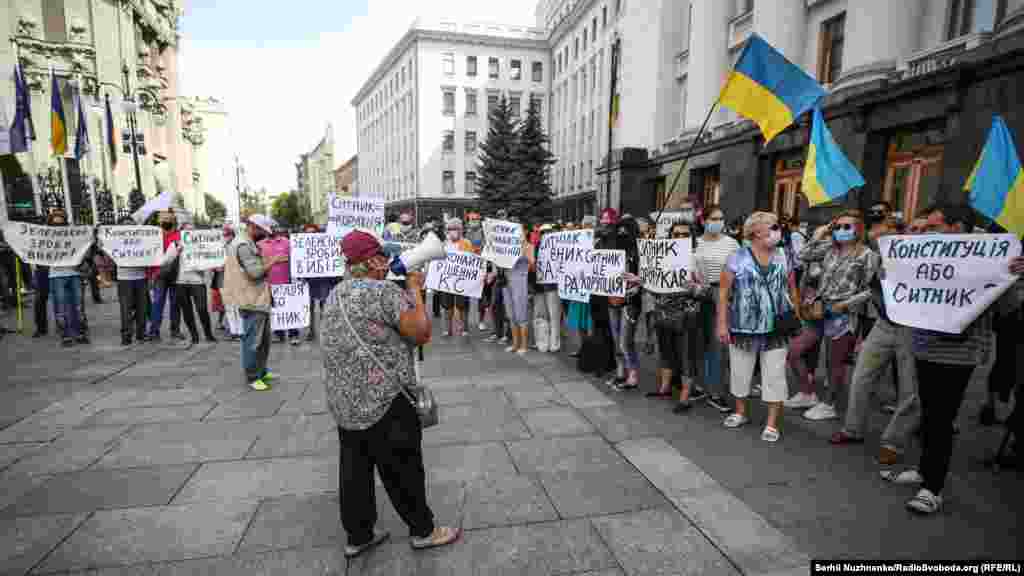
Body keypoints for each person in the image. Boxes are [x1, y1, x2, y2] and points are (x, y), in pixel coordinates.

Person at [321, 230, 460, 557]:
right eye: (381, 256)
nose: (386, 261)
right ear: (371, 261)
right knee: (403, 467)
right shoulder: (382, 291)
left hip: (345, 402)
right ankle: (423, 531)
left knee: (354, 470)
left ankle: (359, 535)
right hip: (385, 399)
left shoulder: (336, 293)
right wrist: (414, 287)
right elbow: (422, 331)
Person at [893, 204, 1024, 514]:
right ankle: (925, 469)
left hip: (959, 353)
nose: (926, 234)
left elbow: (1006, 309)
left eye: (933, 227)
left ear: (957, 227)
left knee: (941, 418)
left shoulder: (990, 258)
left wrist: (1012, 278)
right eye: (923, 229)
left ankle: (932, 488)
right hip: (924, 346)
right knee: (928, 412)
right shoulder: (926, 255)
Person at [831, 216, 918, 465]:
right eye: (878, 231)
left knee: (909, 388)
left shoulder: (922, 258)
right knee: (861, 375)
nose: (879, 235)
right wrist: (847, 304)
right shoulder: (883, 256)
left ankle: (894, 441)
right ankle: (852, 428)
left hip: (912, 328)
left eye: (887, 230)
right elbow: (874, 289)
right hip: (883, 324)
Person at [787, 210, 878, 422]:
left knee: (833, 363)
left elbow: (870, 290)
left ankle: (829, 404)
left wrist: (845, 304)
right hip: (819, 310)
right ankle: (808, 393)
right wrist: (822, 233)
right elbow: (803, 255)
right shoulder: (829, 249)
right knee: (794, 351)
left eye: (847, 227)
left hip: (843, 315)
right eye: (837, 227)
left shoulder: (867, 255)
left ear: (859, 230)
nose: (841, 231)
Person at [718, 212, 799, 442]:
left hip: (777, 326)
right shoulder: (737, 257)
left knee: (775, 374)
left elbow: (792, 288)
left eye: (777, 227)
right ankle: (740, 411)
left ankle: (772, 423)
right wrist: (722, 324)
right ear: (755, 231)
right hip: (743, 325)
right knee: (740, 371)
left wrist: (797, 315)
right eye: (772, 227)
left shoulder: (785, 255)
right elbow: (724, 292)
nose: (777, 231)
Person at [648, 221, 709, 412]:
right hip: (663, 312)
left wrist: (694, 288)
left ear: (691, 237)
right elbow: (652, 281)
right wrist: (641, 280)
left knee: (686, 356)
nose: (680, 237)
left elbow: (706, 290)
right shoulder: (662, 256)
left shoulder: (697, 258)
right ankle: (665, 388)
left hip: (686, 315)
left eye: (684, 234)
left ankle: (685, 396)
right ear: (670, 236)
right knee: (666, 352)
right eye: (676, 234)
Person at [222, 215, 286, 391]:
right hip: (251, 299)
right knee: (253, 340)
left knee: (263, 340)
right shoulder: (243, 245)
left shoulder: (247, 242)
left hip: (257, 298)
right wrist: (274, 261)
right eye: (262, 231)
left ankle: (262, 371)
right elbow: (255, 272)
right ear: (253, 227)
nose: (265, 235)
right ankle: (253, 376)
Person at [694, 205, 741, 413]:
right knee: (699, 342)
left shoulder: (732, 244)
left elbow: (740, 270)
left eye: (721, 218)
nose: (718, 222)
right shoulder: (694, 243)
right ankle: (699, 385)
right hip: (697, 294)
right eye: (714, 218)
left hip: (722, 294)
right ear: (704, 221)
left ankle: (716, 392)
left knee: (719, 345)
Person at [161, 223, 217, 346]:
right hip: (181, 282)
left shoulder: (201, 245)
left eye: (192, 230)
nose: (190, 233)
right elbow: (165, 261)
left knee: (202, 308)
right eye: (187, 231)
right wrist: (177, 250)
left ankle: (208, 334)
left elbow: (210, 259)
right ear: (181, 232)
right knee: (187, 311)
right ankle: (194, 336)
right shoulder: (175, 244)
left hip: (198, 281)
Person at [608, 215, 643, 390]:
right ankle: (620, 372)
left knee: (625, 340)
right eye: (619, 229)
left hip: (631, 302)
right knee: (616, 340)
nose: (622, 233)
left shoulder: (640, 253)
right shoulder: (611, 251)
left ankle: (633, 374)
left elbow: (648, 278)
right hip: (613, 300)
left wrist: (638, 285)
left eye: (626, 230)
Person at [45, 209, 87, 347]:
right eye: (55, 225)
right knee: (60, 307)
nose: (58, 227)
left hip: (73, 273)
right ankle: (66, 336)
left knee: (78, 306)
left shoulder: (72, 235)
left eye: (61, 224)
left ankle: (80, 333)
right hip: (56, 275)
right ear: (51, 224)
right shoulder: (45, 237)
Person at [110, 215, 149, 345]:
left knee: (142, 309)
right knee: (125, 309)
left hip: (141, 277)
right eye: (125, 225)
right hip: (124, 279)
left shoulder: (142, 239)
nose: (129, 227)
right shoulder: (115, 240)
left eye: (131, 225)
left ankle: (141, 334)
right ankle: (126, 336)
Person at [300, 223, 341, 342]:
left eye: (313, 233)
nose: (310, 235)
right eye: (308, 233)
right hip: (309, 281)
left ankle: (326, 330)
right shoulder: (301, 246)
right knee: (309, 308)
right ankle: (310, 331)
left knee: (325, 307)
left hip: (324, 280)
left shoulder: (325, 244)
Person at [260, 225, 300, 345]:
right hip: (269, 283)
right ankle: (279, 334)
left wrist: (272, 259)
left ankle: (294, 334)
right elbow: (261, 262)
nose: (271, 230)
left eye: (273, 227)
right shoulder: (260, 244)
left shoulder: (287, 242)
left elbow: (293, 258)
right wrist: (277, 259)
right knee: (275, 310)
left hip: (286, 282)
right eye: (268, 228)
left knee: (290, 310)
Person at [147, 210, 183, 342]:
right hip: (159, 274)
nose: (166, 222)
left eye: (169, 220)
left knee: (175, 304)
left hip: (175, 274)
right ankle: (154, 331)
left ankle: (175, 330)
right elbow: (149, 255)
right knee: (158, 303)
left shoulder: (180, 235)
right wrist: (151, 275)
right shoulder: (154, 236)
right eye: (164, 220)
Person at [502, 218, 535, 354]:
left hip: (520, 281)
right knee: (511, 314)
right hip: (507, 281)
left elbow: (532, 266)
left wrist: (521, 253)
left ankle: (524, 345)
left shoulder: (528, 246)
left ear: (525, 231)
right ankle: (515, 344)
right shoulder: (506, 246)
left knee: (521, 313)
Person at [566, 215, 595, 358]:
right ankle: (583, 348)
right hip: (578, 287)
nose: (587, 227)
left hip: (591, 288)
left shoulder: (598, 242)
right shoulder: (577, 243)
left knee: (590, 321)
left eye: (590, 225)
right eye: (585, 225)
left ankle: (591, 350)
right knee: (579, 321)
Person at [440, 218, 474, 337]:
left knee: (463, 306)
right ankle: (447, 329)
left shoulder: (467, 243)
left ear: (460, 230)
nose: (453, 231)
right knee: (446, 306)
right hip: (447, 280)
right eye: (450, 229)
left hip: (461, 280)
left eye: (455, 229)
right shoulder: (444, 244)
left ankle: (465, 329)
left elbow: (471, 260)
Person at [532, 223, 562, 353]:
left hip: (553, 287)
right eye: (543, 232)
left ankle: (554, 344)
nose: (545, 235)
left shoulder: (559, 247)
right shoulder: (537, 247)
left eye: (548, 232)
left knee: (554, 316)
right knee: (541, 316)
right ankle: (542, 342)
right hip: (539, 287)